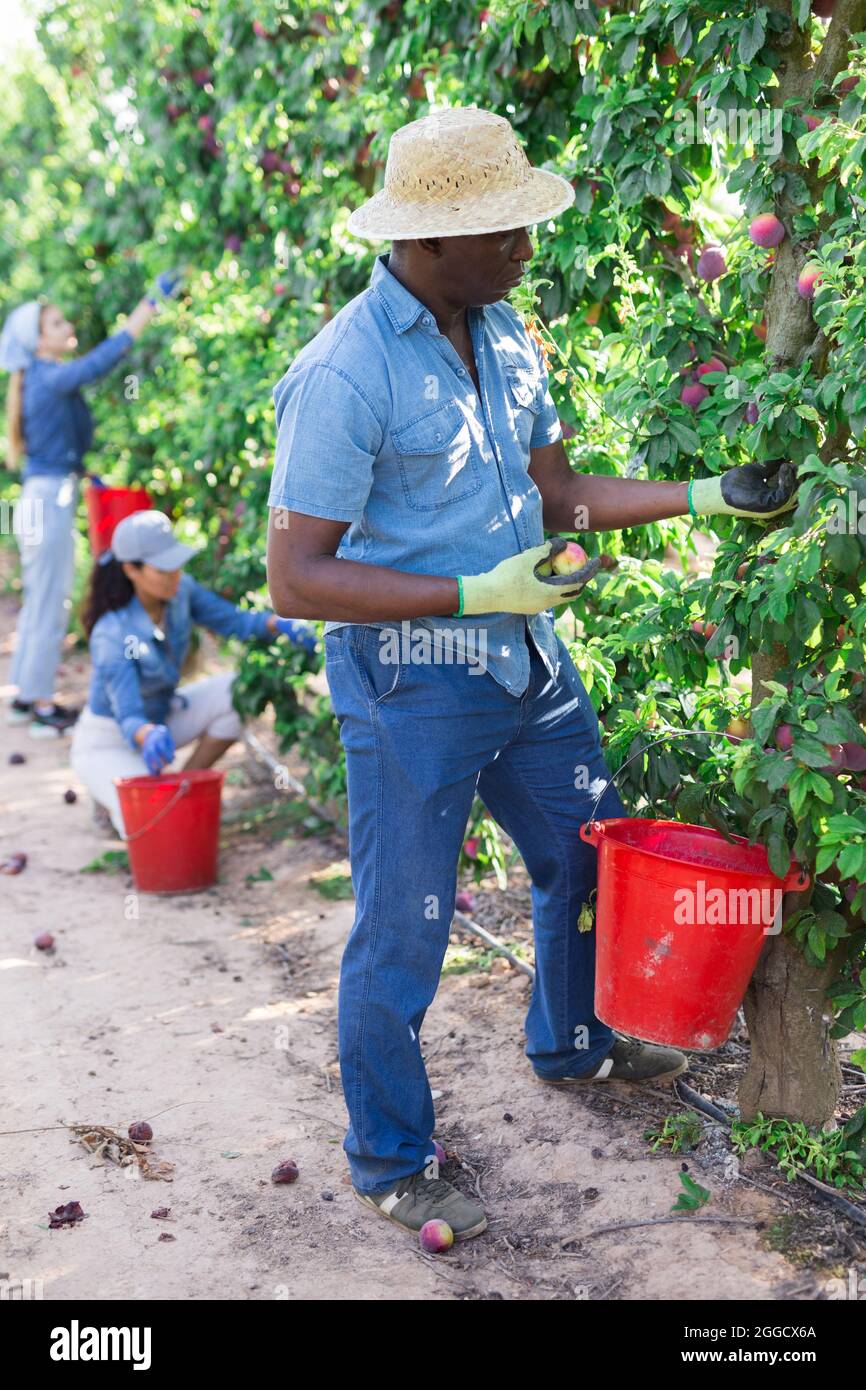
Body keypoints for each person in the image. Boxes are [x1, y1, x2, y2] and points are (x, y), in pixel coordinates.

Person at [265, 107, 797, 1241]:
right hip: (414, 683)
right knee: (405, 928)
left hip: (524, 665)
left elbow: (558, 495)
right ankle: (392, 1158)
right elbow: (297, 577)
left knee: (586, 854)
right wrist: (472, 593)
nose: (526, 247)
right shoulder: (343, 373)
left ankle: (571, 1042)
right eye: (504, 230)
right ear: (430, 241)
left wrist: (707, 495)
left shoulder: (502, 331)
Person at [0, 273, 181, 736]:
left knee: (42, 597)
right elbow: (104, 359)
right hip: (46, 499)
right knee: (49, 600)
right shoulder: (51, 376)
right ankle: (39, 703)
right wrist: (149, 303)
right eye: (56, 323)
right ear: (39, 342)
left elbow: (60, 440)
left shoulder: (41, 379)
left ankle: (25, 693)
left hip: (44, 494)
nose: (66, 326)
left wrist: (83, 473)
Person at [70, 509, 317, 837]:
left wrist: (279, 623)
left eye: (176, 564)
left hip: (161, 716)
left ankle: (180, 787)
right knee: (147, 825)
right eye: (163, 568)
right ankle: (118, 795)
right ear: (131, 569)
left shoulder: (179, 591)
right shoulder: (112, 633)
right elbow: (128, 716)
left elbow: (233, 621)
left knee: (236, 693)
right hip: (112, 738)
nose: (174, 574)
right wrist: (147, 734)